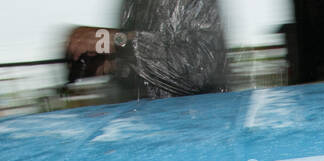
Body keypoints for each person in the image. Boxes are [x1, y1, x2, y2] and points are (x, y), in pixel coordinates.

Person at [65, 0, 229, 100]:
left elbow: (201, 69)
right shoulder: (133, 4)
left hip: (196, 132)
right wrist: (109, 65)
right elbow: (144, 66)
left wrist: (117, 41)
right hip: (148, 129)